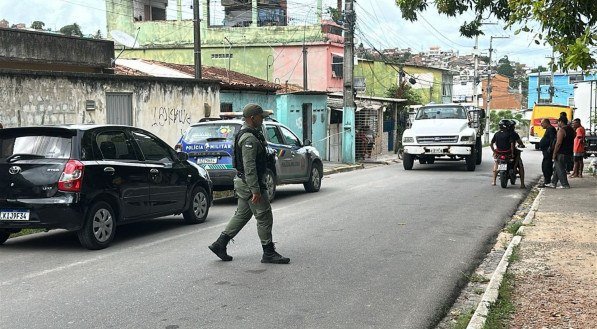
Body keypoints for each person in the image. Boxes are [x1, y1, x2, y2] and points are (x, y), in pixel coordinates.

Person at [208, 104, 290, 264]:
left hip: (243, 182)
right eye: (261, 116)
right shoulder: (249, 138)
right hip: (249, 183)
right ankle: (268, 252)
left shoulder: (252, 134)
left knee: (243, 214)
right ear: (252, 118)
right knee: (264, 216)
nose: (263, 118)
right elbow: (249, 166)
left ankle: (220, 244)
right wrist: (256, 190)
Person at [547, 117, 572, 188]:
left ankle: (565, 184)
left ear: (561, 122)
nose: (557, 124)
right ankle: (553, 183)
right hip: (568, 152)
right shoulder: (571, 129)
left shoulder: (562, 130)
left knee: (560, 168)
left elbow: (558, 143)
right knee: (557, 168)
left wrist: (554, 153)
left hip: (561, 152)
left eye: (558, 122)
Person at [490, 119, 515, 186]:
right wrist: (512, 153)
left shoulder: (496, 134)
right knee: (514, 161)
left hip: (498, 153)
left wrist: (494, 151)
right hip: (507, 153)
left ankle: (494, 181)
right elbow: (512, 145)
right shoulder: (510, 134)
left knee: (496, 163)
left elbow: (491, 143)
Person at [538, 118, 557, 187]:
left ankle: (547, 181)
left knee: (546, 166)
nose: (541, 125)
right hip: (546, 151)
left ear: (546, 123)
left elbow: (553, 140)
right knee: (545, 165)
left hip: (548, 151)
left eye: (542, 123)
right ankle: (546, 180)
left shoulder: (551, 129)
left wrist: (550, 148)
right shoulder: (549, 129)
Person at [508, 120, 526, 188]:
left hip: (501, 152)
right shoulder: (514, 134)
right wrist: (522, 145)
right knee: (520, 165)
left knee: (497, 163)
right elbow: (520, 142)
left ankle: (494, 180)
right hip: (512, 152)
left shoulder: (499, 133)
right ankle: (522, 184)